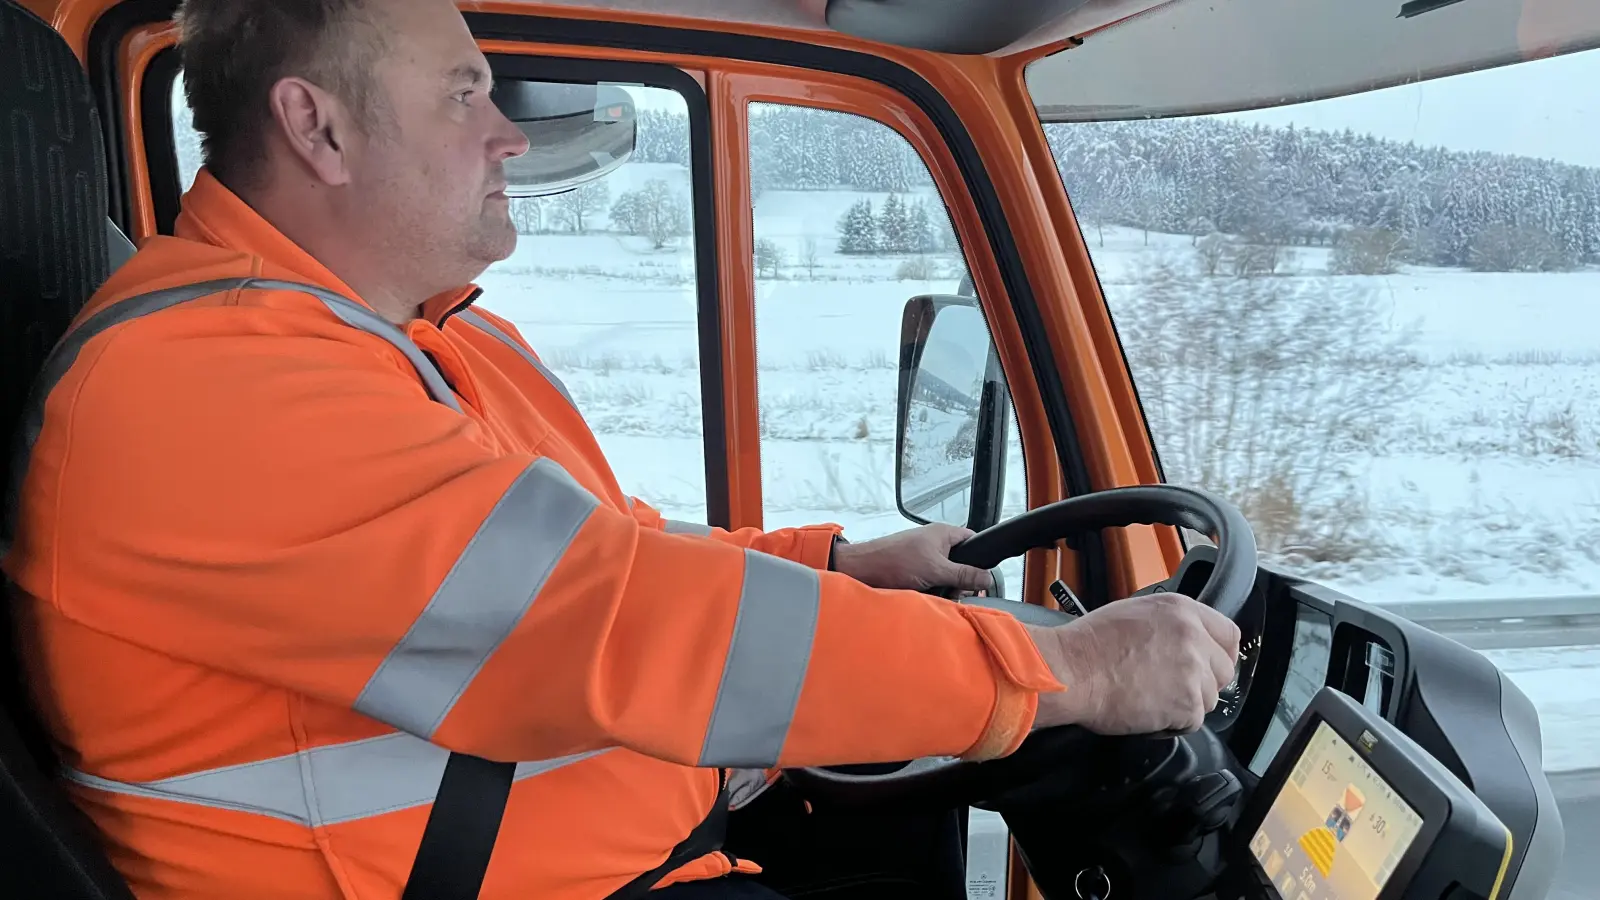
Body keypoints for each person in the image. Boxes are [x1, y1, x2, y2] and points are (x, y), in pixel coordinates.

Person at [0, 0, 1241, 897]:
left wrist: (836, 563)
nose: (507, 135)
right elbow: (612, 614)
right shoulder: (204, 390)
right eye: (462, 92)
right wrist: (1061, 676)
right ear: (316, 128)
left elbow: (608, 552)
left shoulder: (415, 345)